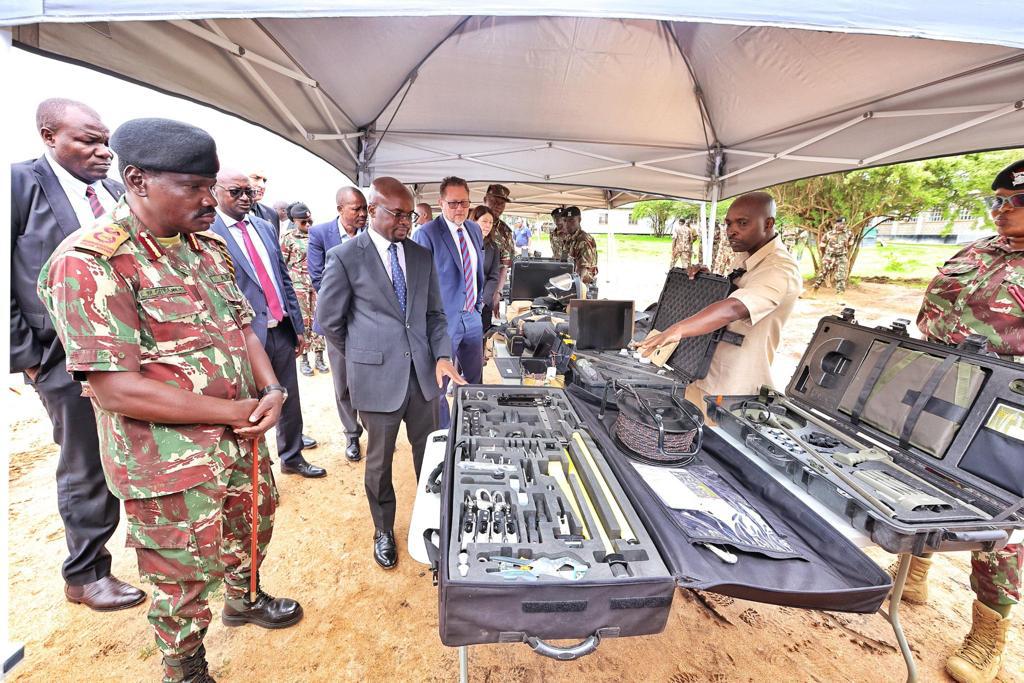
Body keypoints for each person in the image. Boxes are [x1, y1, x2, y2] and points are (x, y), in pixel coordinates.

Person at [37, 118, 302, 683]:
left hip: (240, 439)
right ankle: (185, 665)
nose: (212, 200)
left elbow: (243, 329)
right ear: (136, 180)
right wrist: (236, 412)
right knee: (180, 571)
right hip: (168, 463)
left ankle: (244, 599)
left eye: (212, 185)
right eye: (194, 186)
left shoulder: (206, 247)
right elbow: (115, 387)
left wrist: (272, 389)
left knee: (252, 527)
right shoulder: (89, 261)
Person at [11, 97, 146, 611]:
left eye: (105, 140)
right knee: (86, 462)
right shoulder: (19, 186)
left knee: (129, 451)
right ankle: (85, 573)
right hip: (60, 357)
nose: (102, 151)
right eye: (87, 140)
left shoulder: (114, 193)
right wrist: (27, 356)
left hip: (122, 353)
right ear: (49, 136)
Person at [897, 159, 1024, 683]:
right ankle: (915, 572)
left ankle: (988, 637)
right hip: (943, 386)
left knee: (1002, 515)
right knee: (922, 477)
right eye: (996, 201)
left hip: (1006, 407)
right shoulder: (978, 250)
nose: (1000, 210)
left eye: (1012, 203)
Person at [317, 177, 464, 569]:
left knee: (431, 455)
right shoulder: (346, 257)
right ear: (373, 210)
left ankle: (433, 522)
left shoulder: (419, 256)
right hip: (377, 380)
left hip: (423, 379)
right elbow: (329, 322)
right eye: (397, 214)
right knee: (379, 463)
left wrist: (442, 355)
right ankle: (384, 529)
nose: (405, 222)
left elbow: (435, 315)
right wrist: (366, 357)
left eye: (409, 215)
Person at [211, 169, 326, 479]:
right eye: (236, 192)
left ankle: (292, 457)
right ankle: (257, 473)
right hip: (244, 336)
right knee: (251, 405)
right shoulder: (208, 232)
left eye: (249, 191)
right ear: (215, 191)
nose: (246, 197)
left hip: (281, 329)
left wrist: (298, 326)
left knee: (288, 398)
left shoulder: (263, 226)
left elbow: (282, 279)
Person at [638, 192, 801, 396]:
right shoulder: (746, 255)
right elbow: (732, 293)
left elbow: (735, 307)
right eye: (728, 224)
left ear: (768, 224)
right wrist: (708, 284)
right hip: (704, 373)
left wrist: (677, 329)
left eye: (742, 223)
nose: (731, 231)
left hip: (734, 388)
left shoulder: (779, 269)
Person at [413, 177, 485, 428]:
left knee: (474, 379)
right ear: (440, 202)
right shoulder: (427, 234)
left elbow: (477, 271)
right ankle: (444, 437)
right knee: (441, 385)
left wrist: (478, 306)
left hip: (473, 317)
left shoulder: (474, 230)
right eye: (453, 203)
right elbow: (420, 285)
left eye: (464, 203)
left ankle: (474, 427)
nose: (459, 209)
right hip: (444, 322)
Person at [308, 186, 368, 462]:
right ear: (340, 209)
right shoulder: (321, 234)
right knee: (343, 382)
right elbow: (318, 277)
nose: (362, 214)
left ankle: (374, 428)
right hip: (338, 322)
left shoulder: (371, 234)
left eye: (365, 208)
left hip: (368, 321)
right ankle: (352, 434)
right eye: (356, 208)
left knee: (370, 379)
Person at [279, 202, 328, 376]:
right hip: (297, 286)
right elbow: (282, 266)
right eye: (303, 222)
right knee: (303, 322)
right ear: (294, 221)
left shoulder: (317, 235)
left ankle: (320, 357)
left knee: (319, 319)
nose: (308, 225)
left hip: (316, 285)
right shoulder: (288, 238)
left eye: (310, 221)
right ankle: (305, 359)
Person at [472, 205, 503, 333]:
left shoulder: (493, 247)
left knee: (481, 339)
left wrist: (484, 300)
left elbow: (493, 276)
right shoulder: (463, 242)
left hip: (484, 303)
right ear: (474, 221)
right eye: (484, 221)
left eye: (490, 222)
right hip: (462, 303)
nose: (488, 225)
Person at [559, 206, 599, 286]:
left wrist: (574, 287)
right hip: (570, 281)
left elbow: (582, 271)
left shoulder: (583, 240)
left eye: (571, 220)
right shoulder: (569, 238)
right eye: (565, 220)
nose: (567, 224)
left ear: (579, 220)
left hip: (582, 285)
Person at [813, 219, 853, 294]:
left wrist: (844, 252)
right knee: (824, 273)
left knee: (841, 275)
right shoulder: (829, 234)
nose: (843, 225)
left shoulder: (849, 234)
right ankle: (816, 287)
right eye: (841, 224)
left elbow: (850, 245)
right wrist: (825, 256)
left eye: (844, 224)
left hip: (841, 257)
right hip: (829, 257)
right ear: (836, 224)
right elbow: (822, 246)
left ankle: (840, 293)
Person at [247, 170, 281, 235]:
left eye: (264, 181)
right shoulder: (225, 212)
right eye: (256, 178)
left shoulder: (272, 214)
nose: (262, 186)